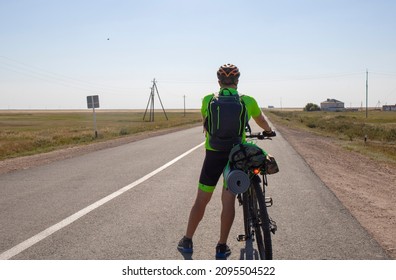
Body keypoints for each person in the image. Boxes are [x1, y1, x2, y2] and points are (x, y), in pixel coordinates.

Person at [177, 64, 274, 259]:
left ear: (219, 82)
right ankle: (221, 246)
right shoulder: (248, 100)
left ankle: (187, 240)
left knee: (201, 200)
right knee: (227, 201)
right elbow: (261, 120)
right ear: (237, 81)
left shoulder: (208, 100)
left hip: (213, 154)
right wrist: (269, 131)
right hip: (237, 155)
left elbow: (207, 125)